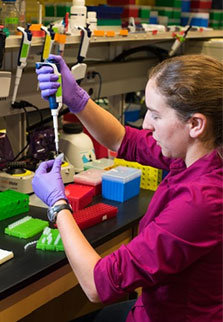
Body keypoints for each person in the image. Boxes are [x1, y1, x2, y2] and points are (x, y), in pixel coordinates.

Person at [33, 54, 223, 322]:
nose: (146, 124)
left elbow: (98, 285)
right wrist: (76, 99)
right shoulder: (197, 153)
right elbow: (123, 139)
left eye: (156, 116)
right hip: (152, 308)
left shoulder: (203, 202)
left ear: (195, 124)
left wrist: (57, 204)